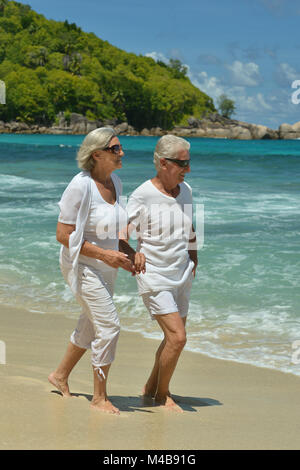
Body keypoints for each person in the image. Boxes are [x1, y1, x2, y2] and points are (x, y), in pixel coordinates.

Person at [48, 127, 145, 415]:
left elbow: (113, 233)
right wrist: (105, 254)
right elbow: (63, 235)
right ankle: (99, 396)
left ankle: (60, 375)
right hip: (81, 265)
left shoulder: (115, 180)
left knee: (91, 323)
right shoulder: (80, 185)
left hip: (107, 265)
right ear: (97, 154)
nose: (122, 153)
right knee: (109, 326)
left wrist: (131, 254)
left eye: (120, 148)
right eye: (115, 149)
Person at [122, 134, 198, 413]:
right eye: (182, 163)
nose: (187, 169)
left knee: (171, 339)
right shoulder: (143, 194)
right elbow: (119, 234)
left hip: (182, 274)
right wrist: (132, 254)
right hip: (153, 274)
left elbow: (190, 227)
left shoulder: (185, 190)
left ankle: (150, 388)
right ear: (163, 163)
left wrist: (194, 259)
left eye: (189, 163)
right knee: (178, 338)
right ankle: (162, 395)